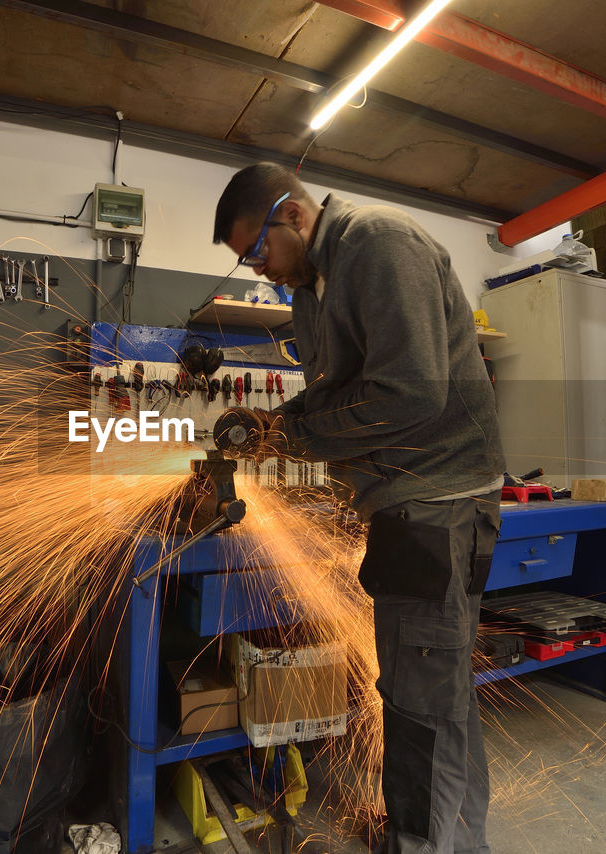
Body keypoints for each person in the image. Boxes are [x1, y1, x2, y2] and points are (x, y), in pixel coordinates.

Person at [213, 163, 505, 854]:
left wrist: (295, 436)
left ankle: (422, 844)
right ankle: (462, 842)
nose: (263, 271)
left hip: (434, 505)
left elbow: (410, 394)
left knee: (414, 704)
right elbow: (335, 395)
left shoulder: (376, 243)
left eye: (259, 252)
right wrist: (271, 424)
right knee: (440, 694)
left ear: (292, 214)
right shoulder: (313, 287)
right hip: (414, 504)